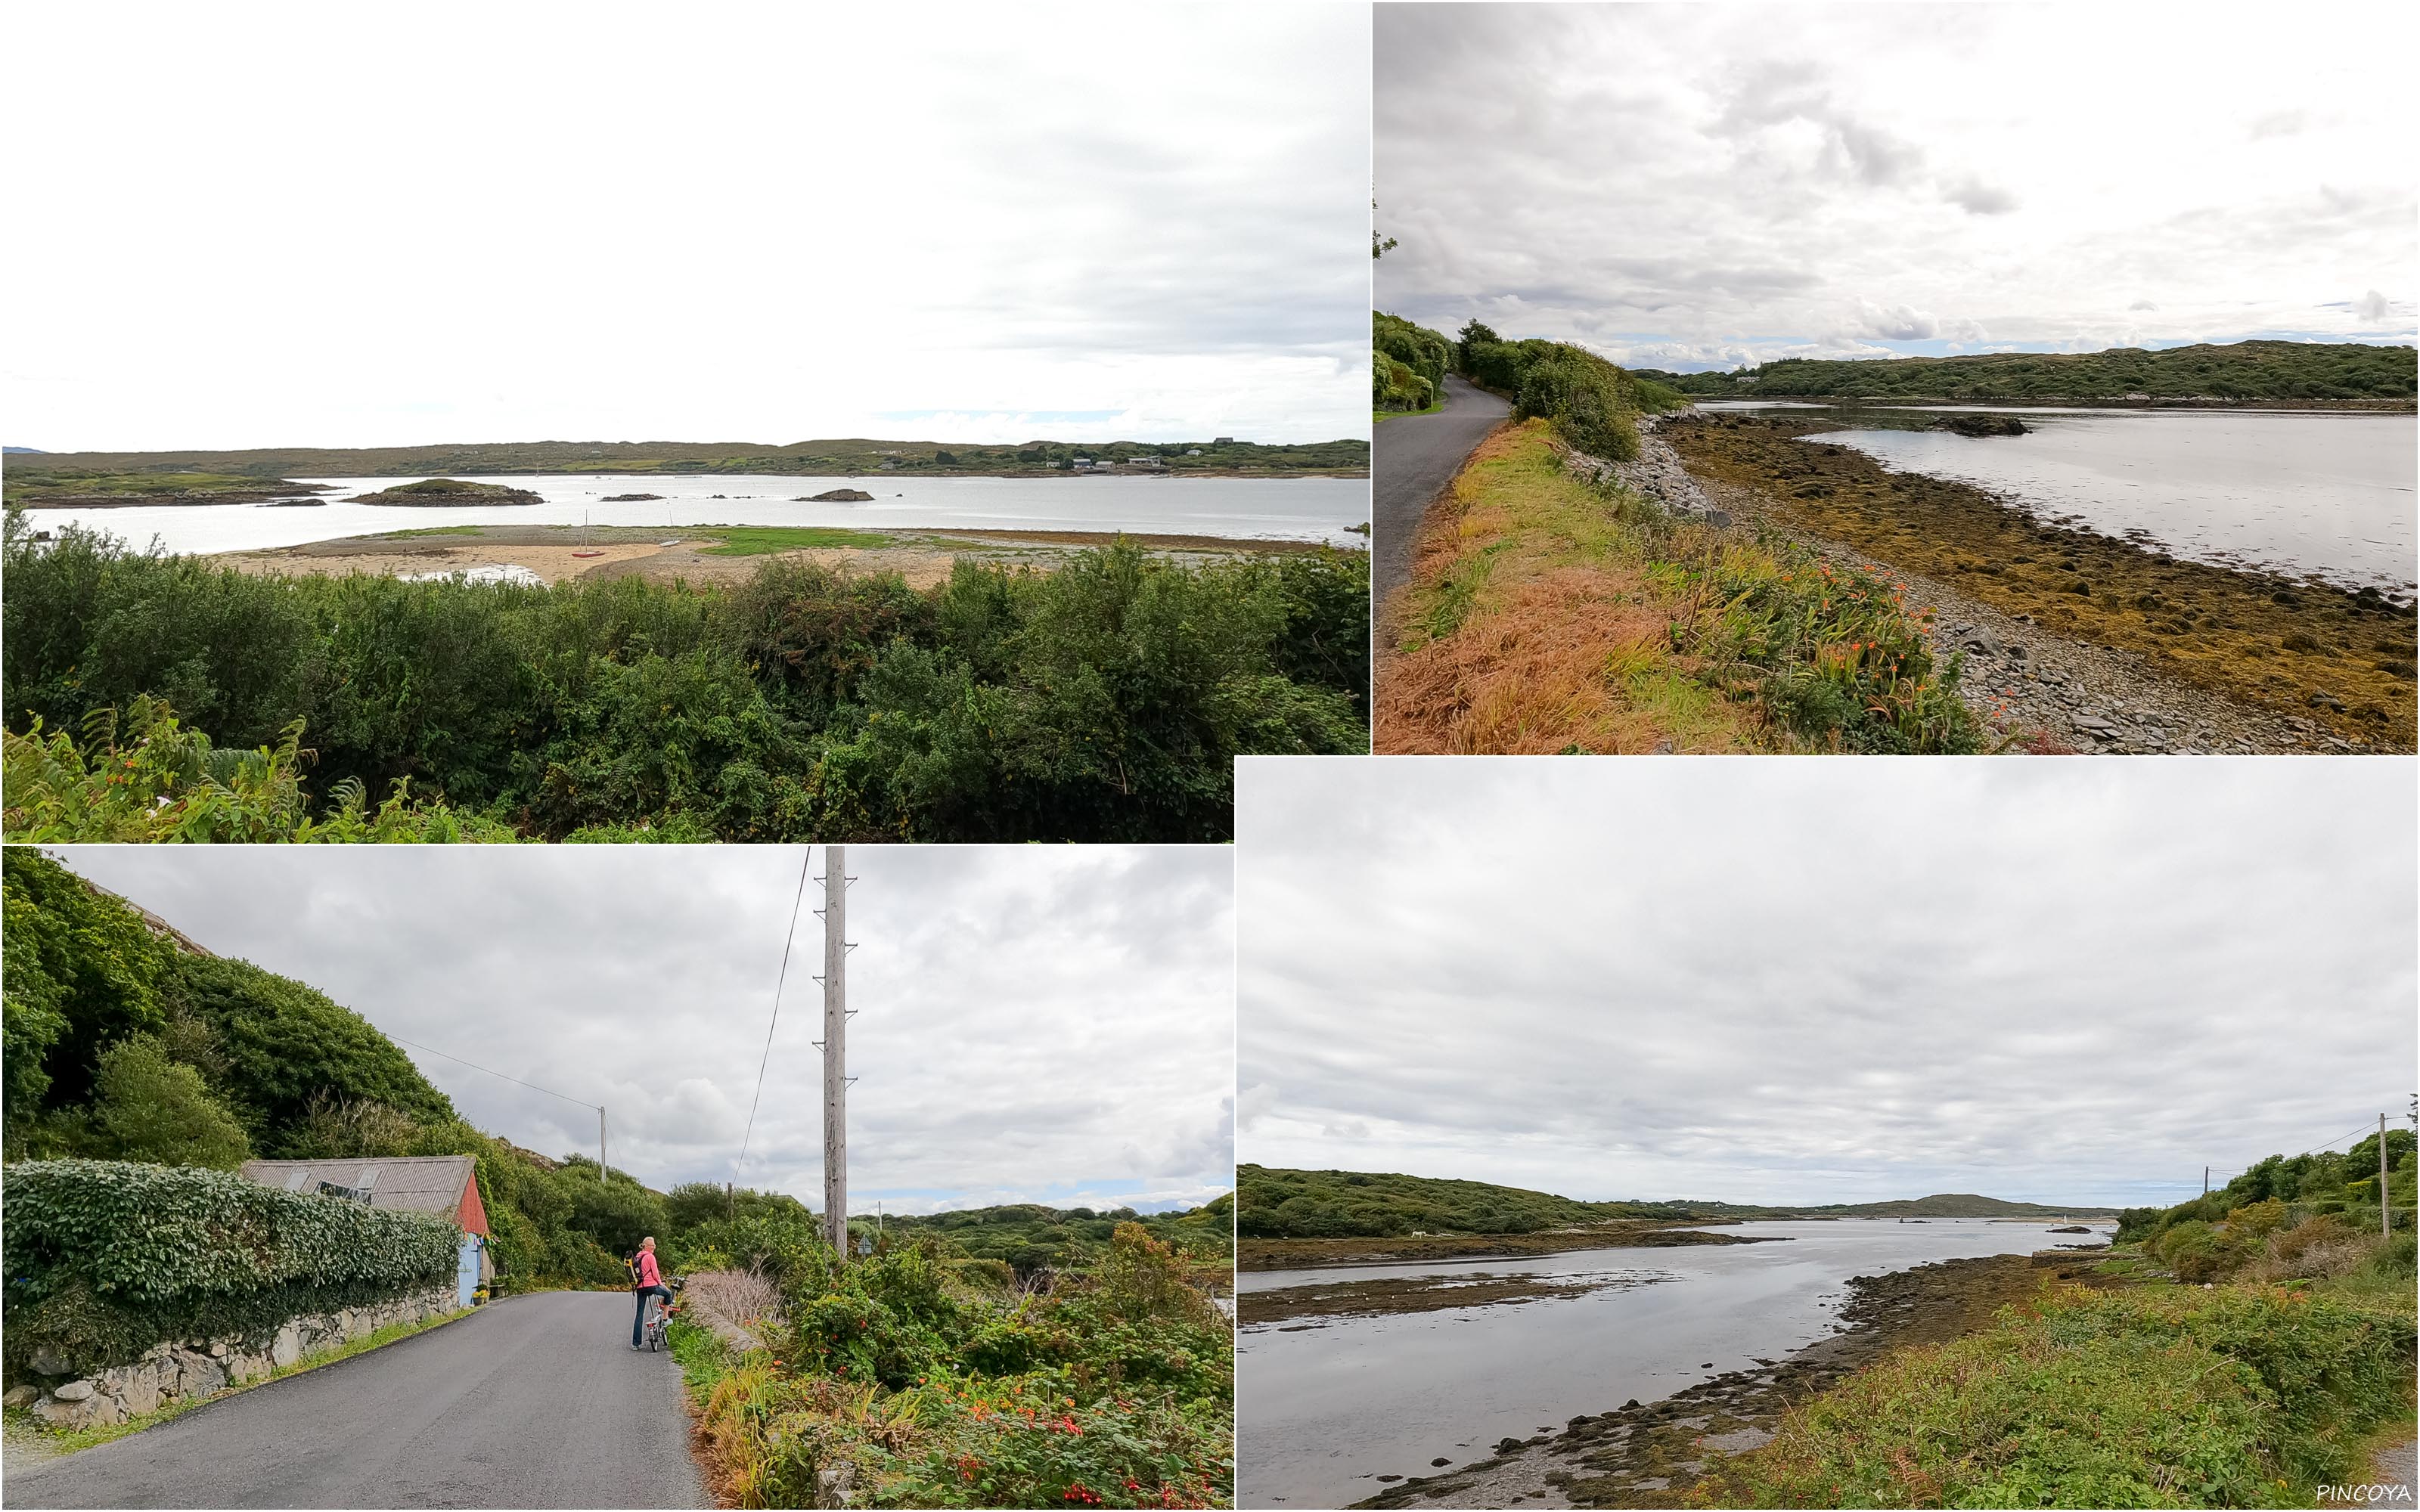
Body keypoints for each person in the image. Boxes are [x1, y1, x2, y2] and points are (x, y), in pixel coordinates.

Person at [630, 1236, 672, 1349]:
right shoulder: (650, 1257)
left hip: (640, 1288)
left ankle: (635, 1344)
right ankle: (664, 1320)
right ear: (647, 1246)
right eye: (653, 1245)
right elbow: (655, 1274)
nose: (654, 1247)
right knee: (668, 1294)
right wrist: (661, 1284)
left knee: (639, 1315)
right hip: (651, 1286)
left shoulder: (638, 1256)